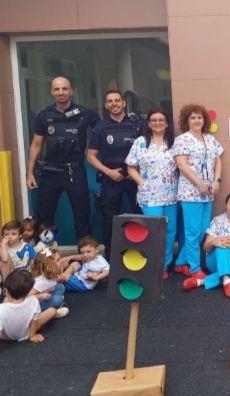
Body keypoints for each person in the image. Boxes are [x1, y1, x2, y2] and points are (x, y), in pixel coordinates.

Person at [26, 76, 101, 239]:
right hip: (50, 171)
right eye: (57, 89)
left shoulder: (85, 113)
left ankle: (86, 258)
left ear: (71, 91)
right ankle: (45, 259)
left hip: (75, 170)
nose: (61, 92)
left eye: (64, 89)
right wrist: (29, 173)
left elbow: (104, 131)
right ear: (52, 92)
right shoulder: (44, 116)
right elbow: (36, 145)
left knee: (82, 216)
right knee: (44, 217)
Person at [88, 90, 144, 258]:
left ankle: (142, 253)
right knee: (109, 220)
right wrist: (109, 172)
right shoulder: (100, 128)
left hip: (134, 177)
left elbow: (147, 151)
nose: (114, 104)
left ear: (124, 103)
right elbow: (90, 157)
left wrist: (136, 170)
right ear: (106, 105)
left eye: (117, 100)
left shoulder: (137, 125)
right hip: (111, 178)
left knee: (141, 217)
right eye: (110, 101)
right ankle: (112, 258)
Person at [126, 107, 178, 279]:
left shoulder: (174, 142)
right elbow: (131, 167)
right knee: (155, 231)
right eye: (154, 120)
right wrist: (142, 182)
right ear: (148, 123)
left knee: (170, 231)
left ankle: (165, 265)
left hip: (171, 194)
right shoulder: (140, 142)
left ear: (167, 123)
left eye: (161, 120)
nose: (157, 123)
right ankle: (154, 265)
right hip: (149, 196)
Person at [172, 104, 223, 280]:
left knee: (202, 231)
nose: (196, 120)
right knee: (192, 232)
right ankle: (194, 268)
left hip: (208, 192)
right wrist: (199, 183)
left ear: (204, 120)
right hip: (190, 193)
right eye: (192, 117)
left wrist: (216, 181)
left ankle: (180, 262)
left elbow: (218, 160)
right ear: (187, 120)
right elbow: (182, 164)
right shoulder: (182, 139)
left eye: (199, 117)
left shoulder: (210, 139)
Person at [182, 192, 230, 298]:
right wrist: (214, 242)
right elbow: (205, 247)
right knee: (222, 246)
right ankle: (226, 281)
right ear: (226, 205)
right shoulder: (217, 220)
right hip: (216, 261)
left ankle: (201, 282)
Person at [0, 270, 59, 343]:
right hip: (27, 332)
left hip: (7, 336)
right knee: (52, 311)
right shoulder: (34, 301)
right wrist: (32, 336)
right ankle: (54, 313)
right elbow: (34, 321)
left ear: (6, 290)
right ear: (28, 292)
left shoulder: (1, 309)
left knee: (6, 301)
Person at [29, 248, 68, 317]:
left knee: (60, 287)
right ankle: (45, 312)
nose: (61, 261)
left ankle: (52, 305)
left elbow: (57, 279)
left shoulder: (49, 275)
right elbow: (28, 297)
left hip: (45, 294)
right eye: (58, 260)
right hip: (34, 305)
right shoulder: (41, 282)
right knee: (58, 300)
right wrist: (43, 296)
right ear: (49, 266)